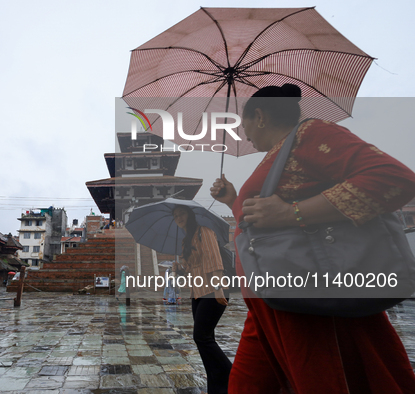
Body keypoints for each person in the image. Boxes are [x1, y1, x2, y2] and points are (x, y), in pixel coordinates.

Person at [211, 84, 415, 393]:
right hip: (268, 302)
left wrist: (294, 213)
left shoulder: (311, 134)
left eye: (245, 123)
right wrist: (233, 200)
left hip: (307, 300)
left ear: (261, 116)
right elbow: (260, 224)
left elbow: (395, 179)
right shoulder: (277, 155)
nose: (245, 134)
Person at [172, 205, 231, 394]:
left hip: (212, 290)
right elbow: (190, 270)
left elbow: (215, 260)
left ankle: (235, 376)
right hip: (197, 293)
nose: (178, 217)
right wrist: (178, 269)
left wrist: (218, 288)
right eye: (175, 215)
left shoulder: (204, 232)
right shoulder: (185, 242)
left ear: (189, 214)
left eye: (181, 212)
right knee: (206, 338)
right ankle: (216, 387)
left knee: (202, 337)